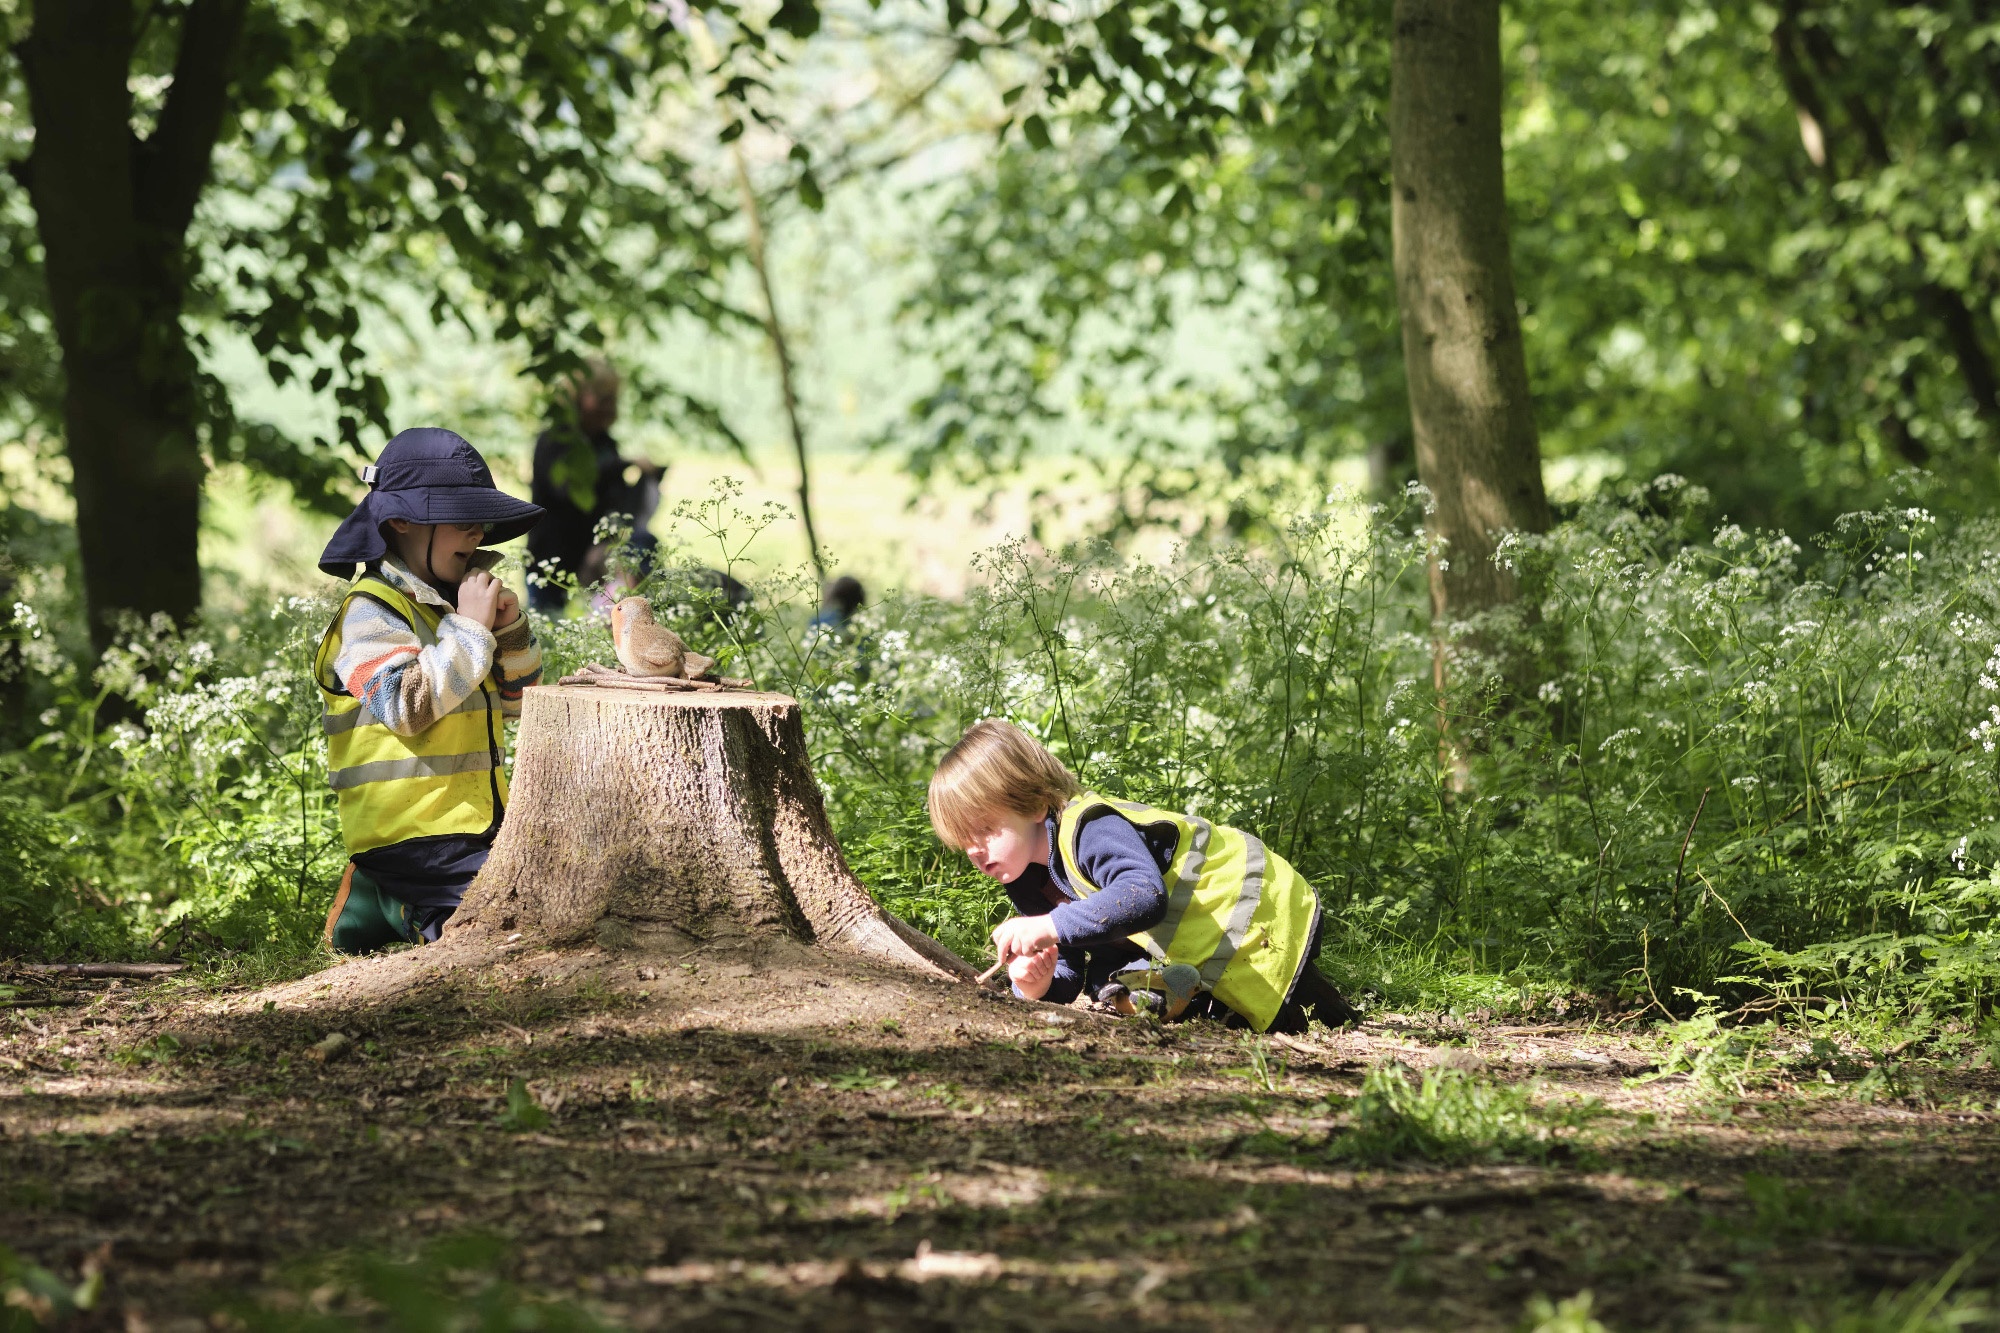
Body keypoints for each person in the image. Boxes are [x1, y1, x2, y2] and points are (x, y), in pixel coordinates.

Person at [927, 719, 1354, 1033]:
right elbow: (1068, 971)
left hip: (1260, 912)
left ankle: (1198, 998)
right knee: (1104, 982)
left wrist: (1048, 926)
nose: (974, 850)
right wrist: (1034, 984)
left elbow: (1143, 895)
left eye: (986, 829)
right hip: (1199, 945)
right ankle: (1170, 995)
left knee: (1310, 1016)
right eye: (964, 840)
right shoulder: (1025, 880)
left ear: (1036, 804)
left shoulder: (1089, 829)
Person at [313, 428, 546, 954]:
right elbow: (405, 705)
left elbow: (520, 705)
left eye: (481, 521)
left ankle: (379, 897)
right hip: (409, 836)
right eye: (462, 520)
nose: (478, 533)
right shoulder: (370, 611)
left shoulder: (450, 608)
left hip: (477, 829)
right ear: (402, 522)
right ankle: (392, 901)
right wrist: (471, 630)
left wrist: (507, 631)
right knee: (501, 925)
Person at [527, 358, 660, 612]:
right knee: (546, 622)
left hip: (591, 561)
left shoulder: (605, 444)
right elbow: (567, 490)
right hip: (550, 559)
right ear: (578, 397)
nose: (609, 407)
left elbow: (614, 500)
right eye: (602, 398)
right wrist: (624, 464)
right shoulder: (554, 440)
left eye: (612, 399)